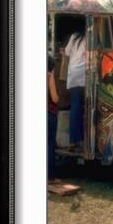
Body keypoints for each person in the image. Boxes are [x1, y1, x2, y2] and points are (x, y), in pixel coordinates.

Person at [64, 29, 86, 150]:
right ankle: (81, 139)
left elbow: (67, 52)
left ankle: (73, 141)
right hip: (83, 76)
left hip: (72, 76)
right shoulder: (88, 38)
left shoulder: (74, 36)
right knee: (82, 109)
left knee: (75, 108)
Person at [47, 55, 60, 183]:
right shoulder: (49, 76)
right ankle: (50, 177)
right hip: (49, 115)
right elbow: (54, 98)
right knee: (50, 145)